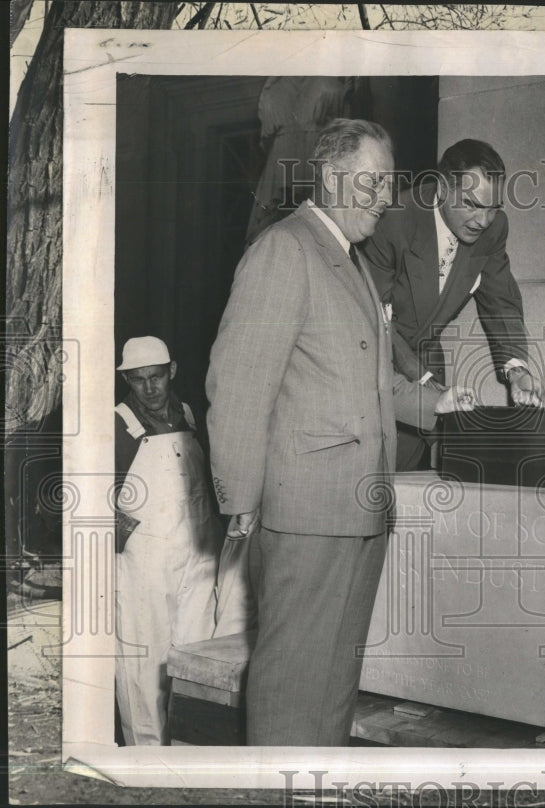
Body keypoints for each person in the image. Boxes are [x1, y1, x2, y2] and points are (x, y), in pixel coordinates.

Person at [206, 118, 473, 746]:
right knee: (291, 683)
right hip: (304, 516)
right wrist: (241, 503)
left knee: (334, 688)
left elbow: (370, 379)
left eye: (390, 183)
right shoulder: (284, 249)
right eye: (374, 182)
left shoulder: (349, 263)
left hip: (360, 512)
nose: (386, 196)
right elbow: (239, 384)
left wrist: (444, 408)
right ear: (331, 176)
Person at [362, 138, 543, 470]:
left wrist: (517, 371)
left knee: (406, 485)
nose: (484, 220)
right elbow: (374, 315)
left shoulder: (493, 230)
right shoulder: (393, 220)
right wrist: (420, 377)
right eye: (473, 204)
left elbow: (500, 302)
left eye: (493, 207)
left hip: (428, 363)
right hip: (375, 361)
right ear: (443, 188)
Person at [113, 336, 220, 745]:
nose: (150, 388)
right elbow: (83, 498)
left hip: (197, 552)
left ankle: (189, 749)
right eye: (138, 380)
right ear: (126, 379)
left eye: (156, 377)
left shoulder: (190, 415)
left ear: (171, 371)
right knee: (144, 660)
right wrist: (129, 537)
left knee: (196, 653)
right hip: (147, 562)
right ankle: (146, 757)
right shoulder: (117, 424)